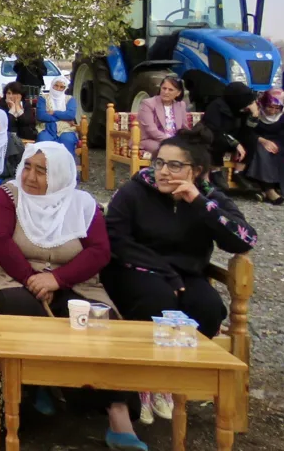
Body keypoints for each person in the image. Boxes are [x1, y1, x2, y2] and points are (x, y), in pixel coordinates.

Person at [0, 142, 145, 451]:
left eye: (41, 171)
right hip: (15, 274)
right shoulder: (10, 195)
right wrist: (31, 278)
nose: (30, 177)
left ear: (59, 175)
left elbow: (99, 251)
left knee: (100, 322)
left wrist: (57, 279)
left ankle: (117, 411)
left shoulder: (82, 204)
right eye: (27, 167)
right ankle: (38, 386)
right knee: (23, 313)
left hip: (74, 279)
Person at [103, 130, 256, 425]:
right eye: (159, 162)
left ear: (195, 171)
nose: (163, 171)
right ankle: (144, 384)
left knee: (208, 308)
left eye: (174, 165)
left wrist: (198, 202)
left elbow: (245, 239)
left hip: (186, 275)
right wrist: (166, 273)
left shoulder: (209, 198)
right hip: (135, 269)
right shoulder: (134, 192)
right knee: (157, 301)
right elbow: (115, 239)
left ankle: (170, 379)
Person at [239, 88, 284, 204]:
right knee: (262, 151)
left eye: (277, 108)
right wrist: (262, 140)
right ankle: (269, 189)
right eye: (270, 107)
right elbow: (245, 131)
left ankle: (269, 190)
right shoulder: (255, 108)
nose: (273, 111)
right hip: (256, 138)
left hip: (279, 139)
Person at [201, 83, 259, 188]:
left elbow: (248, 129)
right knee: (219, 141)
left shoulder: (241, 107)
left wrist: (254, 115)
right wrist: (236, 144)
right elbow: (214, 130)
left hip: (233, 137)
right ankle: (215, 171)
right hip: (215, 137)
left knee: (251, 138)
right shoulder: (216, 106)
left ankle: (238, 173)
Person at [137, 75, 189, 154]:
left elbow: (184, 128)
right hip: (151, 140)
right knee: (169, 149)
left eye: (170, 90)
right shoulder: (148, 104)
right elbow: (151, 130)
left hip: (175, 141)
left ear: (178, 93)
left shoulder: (181, 105)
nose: (166, 92)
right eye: (164, 88)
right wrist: (171, 141)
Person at [35, 76, 79, 154]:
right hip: (46, 128)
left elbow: (70, 115)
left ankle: (66, 162)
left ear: (65, 88)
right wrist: (63, 118)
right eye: (56, 85)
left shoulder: (70, 99)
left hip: (66, 129)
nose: (58, 89)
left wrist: (54, 113)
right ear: (52, 85)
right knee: (44, 141)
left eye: (62, 87)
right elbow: (41, 115)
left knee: (68, 140)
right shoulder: (43, 98)